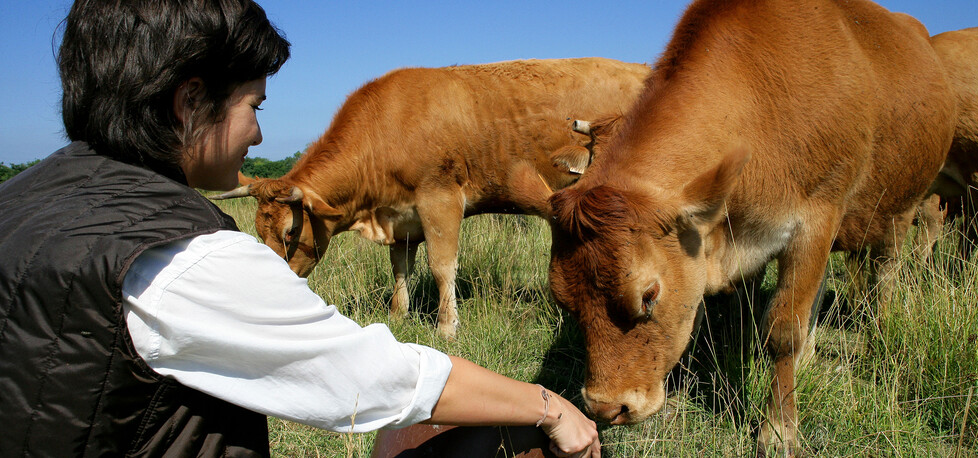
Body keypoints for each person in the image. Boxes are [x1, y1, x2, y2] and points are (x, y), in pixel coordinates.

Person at [0, 1, 600, 457]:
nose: (259, 136)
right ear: (189, 104)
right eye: (253, 107)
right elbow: (370, 379)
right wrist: (547, 406)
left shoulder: (16, 202)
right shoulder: (181, 255)